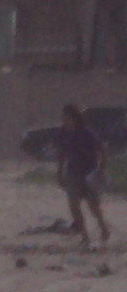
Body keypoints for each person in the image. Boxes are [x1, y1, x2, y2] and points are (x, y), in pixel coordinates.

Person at [58, 104, 111, 249]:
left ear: (75, 119)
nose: (65, 123)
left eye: (68, 119)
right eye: (63, 119)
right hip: (72, 173)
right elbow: (62, 153)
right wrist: (59, 173)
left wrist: (101, 170)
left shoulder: (86, 133)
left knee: (93, 206)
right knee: (74, 205)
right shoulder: (63, 133)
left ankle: (103, 228)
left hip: (89, 173)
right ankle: (85, 237)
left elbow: (103, 150)